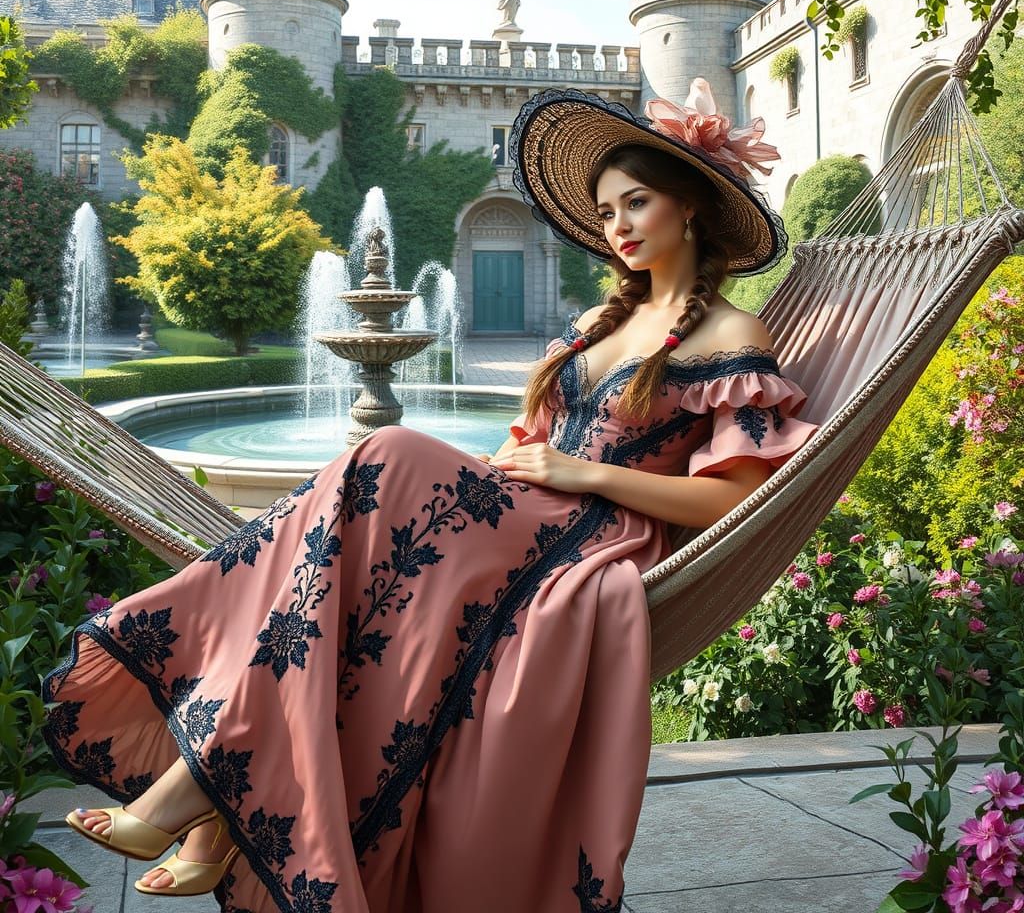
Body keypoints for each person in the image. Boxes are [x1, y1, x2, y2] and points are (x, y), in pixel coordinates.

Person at [42, 80, 819, 912]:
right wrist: (508, 474)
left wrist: (579, 473)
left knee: (386, 452)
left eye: (636, 203)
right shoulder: (600, 320)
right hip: (525, 514)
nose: (618, 226)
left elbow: (734, 501)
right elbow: (528, 443)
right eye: (604, 212)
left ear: (691, 209)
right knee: (350, 568)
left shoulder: (733, 334)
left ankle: (195, 801)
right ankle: (210, 818)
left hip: (592, 536)